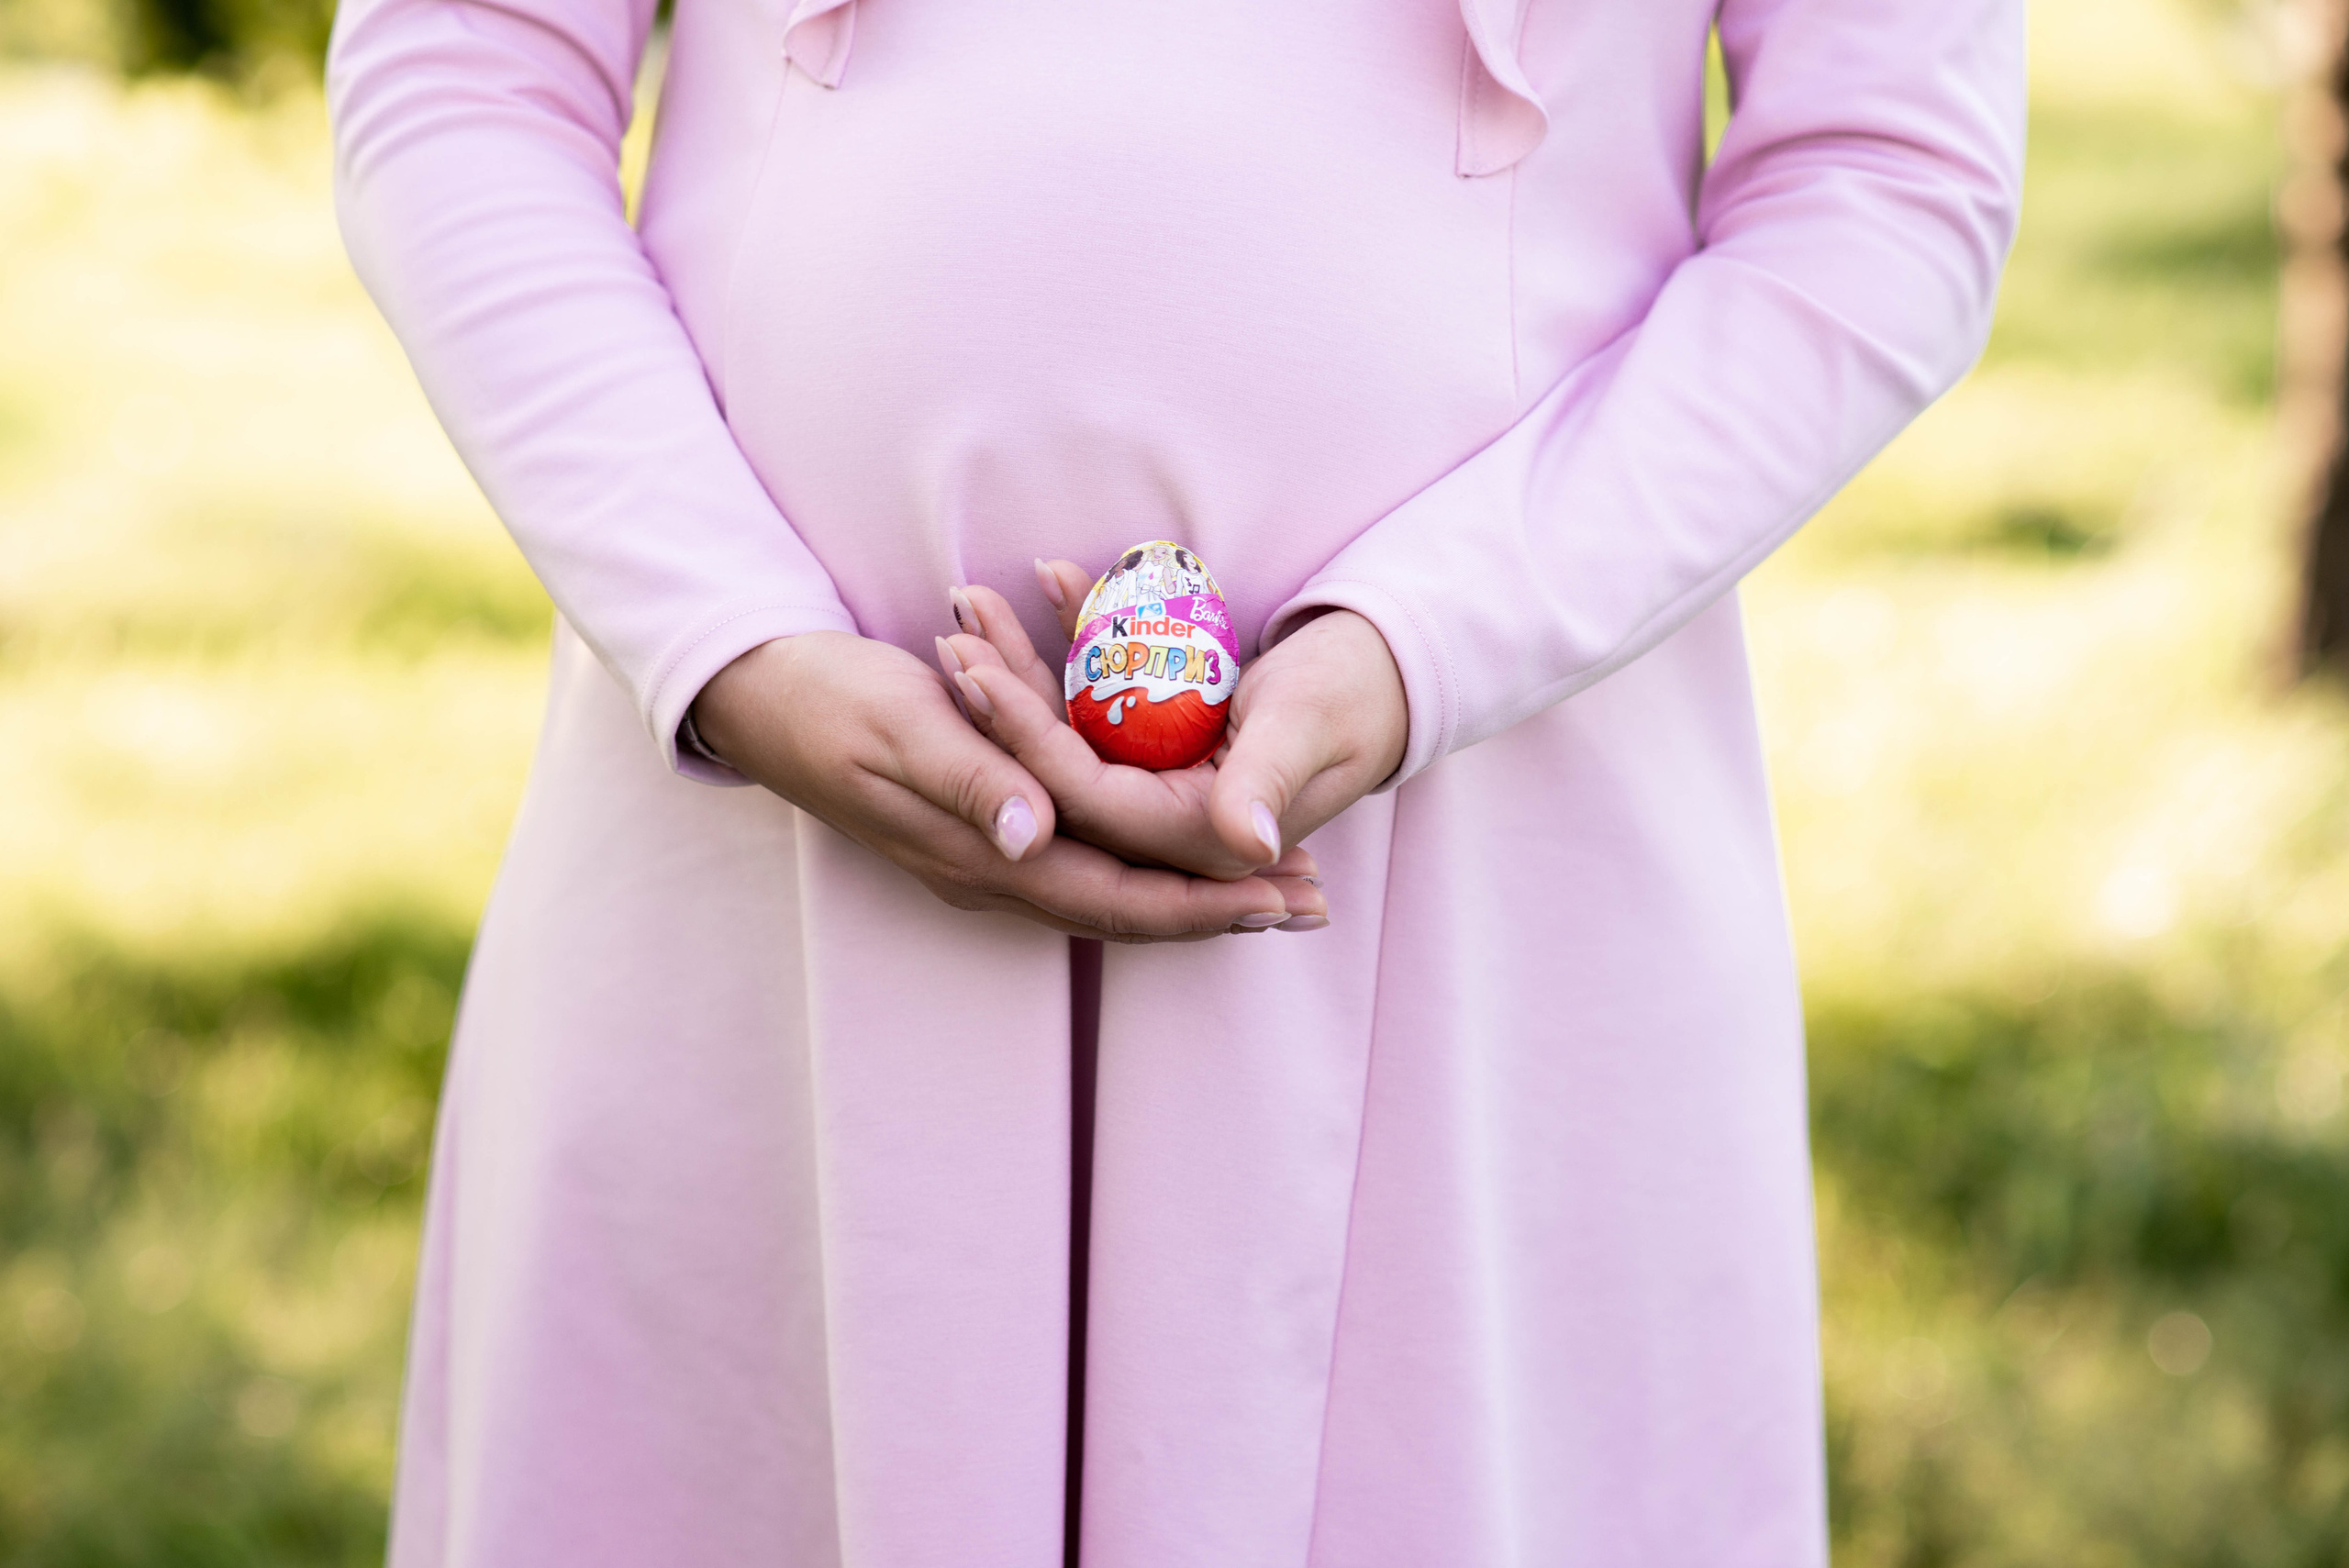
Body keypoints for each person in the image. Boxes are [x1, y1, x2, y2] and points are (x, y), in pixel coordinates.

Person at [327, 0, 2023, 1560]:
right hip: (767, 861)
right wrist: (727, 636)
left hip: (1483, 865)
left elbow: (1885, 171)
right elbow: (470, 64)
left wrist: (1427, 643)